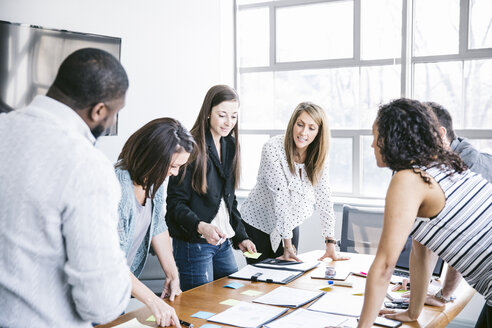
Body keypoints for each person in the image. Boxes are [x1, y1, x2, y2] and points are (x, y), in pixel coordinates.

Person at [0, 48, 131, 327]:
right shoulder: (87, 164)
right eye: (114, 114)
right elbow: (102, 304)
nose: (111, 123)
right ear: (99, 110)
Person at [357, 98, 491, 328]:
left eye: (376, 137)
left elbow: (384, 266)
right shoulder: (440, 166)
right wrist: (412, 313)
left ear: (393, 139)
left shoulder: (409, 179)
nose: (372, 146)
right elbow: (422, 253)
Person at [392, 101, 492, 309]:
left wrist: (444, 295)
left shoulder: (469, 167)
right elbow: (425, 242)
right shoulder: (434, 168)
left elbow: (464, 239)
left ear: (440, 133)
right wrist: (421, 285)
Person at [166, 84, 256, 291]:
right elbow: (175, 204)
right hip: (194, 243)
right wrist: (201, 226)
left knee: (232, 299)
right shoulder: (190, 147)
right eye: (222, 115)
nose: (229, 122)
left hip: (222, 242)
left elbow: (228, 200)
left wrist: (242, 237)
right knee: (200, 309)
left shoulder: (231, 145)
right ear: (208, 113)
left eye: (233, 116)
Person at [240, 102, 349, 263]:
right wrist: (287, 246)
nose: (304, 132)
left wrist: (330, 243)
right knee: (259, 279)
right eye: (300, 124)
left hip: (289, 223)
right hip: (257, 222)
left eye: (312, 128)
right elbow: (281, 197)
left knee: (287, 274)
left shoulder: (319, 157)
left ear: (319, 132)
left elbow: (324, 197)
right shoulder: (272, 148)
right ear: (293, 123)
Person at [115, 118, 195, 327]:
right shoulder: (117, 190)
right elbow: (110, 261)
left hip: (117, 289)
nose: (175, 173)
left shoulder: (154, 182)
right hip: (92, 291)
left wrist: (172, 273)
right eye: (173, 165)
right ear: (153, 157)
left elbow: (158, 225)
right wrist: (152, 300)